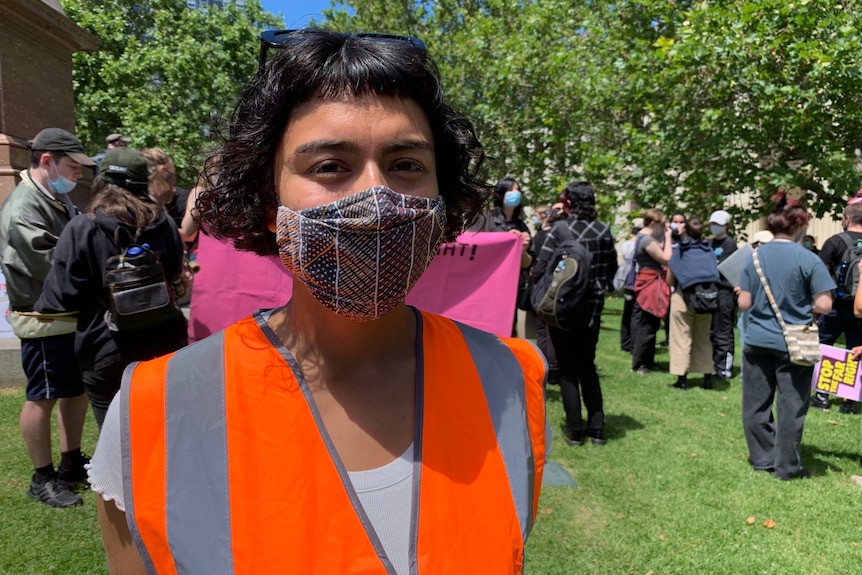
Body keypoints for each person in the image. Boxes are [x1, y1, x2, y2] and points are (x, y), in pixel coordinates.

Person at [88, 29, 547, 574]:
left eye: (406, 164)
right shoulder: (153, 414)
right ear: (267, 203)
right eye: (329, 165)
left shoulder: (513, 383)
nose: (375, 200)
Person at [35, 148, 188, 430]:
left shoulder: (82, 227)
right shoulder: (164, 223)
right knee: (163, 432)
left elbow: (61, 297)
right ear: (143, 182)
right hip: (164, 346)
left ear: (101, 181)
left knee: (117, 442)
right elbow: (175, 272)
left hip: (105, 348)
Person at [0, 128, 95, 507]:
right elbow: (54, 261)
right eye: (72, 167)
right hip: (42, 319)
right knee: (43, 396)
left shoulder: (54, 198)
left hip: (66, 316)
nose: (77, 176)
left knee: (76, 390)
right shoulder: (24, 207)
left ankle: (71, 463)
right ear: (46, 160)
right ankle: (42, 478)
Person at [737, 191, 833, 480]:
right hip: (794, 342)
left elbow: (743, 303)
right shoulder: (809, 259)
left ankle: (762, 458)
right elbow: (825, 304)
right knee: (791, 404)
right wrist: (803, 304)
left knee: (755, 403)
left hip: (756, 339)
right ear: (799, 226)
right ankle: (787, 467)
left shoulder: (753, 257)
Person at [533, 181, 616, 445]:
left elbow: (540, 266)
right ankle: (597, 428)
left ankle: (574, 430)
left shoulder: (560, 229)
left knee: (568, 369)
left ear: (568, 203)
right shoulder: (603, 230)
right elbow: (611, 271)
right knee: (587, 366)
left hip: (564, 309)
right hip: (592, 310)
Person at [811, 202, 862, 413]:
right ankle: (848, 400)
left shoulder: (834, 242)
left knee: (825, 346)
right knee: (856, 350)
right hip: (860, 307)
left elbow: (820, 277)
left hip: (837, 305)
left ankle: (822, 395)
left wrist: (817, 307)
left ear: (847, 219)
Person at [475, 177, 533, 334]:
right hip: (487, 288)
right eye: (512, 189)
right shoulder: (484, 220)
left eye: (518, 189)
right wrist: (505, 240)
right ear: (500, 195)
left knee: (507, 333)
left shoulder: (521, 226)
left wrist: (521, 248)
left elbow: (526, 264)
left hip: (511, 289)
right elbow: (474, 249)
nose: (517, 193)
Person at [666, 217, 718, 390]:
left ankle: (681, 379)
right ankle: (707, 378)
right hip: (706, 299)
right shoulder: (708, 250)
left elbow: (669, 279)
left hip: (683, 297)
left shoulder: (680, 251)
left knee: (681, 338)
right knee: (704, 338)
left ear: (685, 231)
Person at [631, 208, 673, 375]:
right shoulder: (646, 240)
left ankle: (648, 360)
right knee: (647, 324)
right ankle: (640, 363)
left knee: (652, 323)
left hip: (651, 280)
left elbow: (660, 248)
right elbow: (666, 258)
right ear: (654, 223)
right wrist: (669, 237)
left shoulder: (645, 238)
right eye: (661, 224)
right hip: (650, 282)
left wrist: (663, 236)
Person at [708, 209, 738, 381]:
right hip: (709, 292)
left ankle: (724, 367)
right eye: (713, 224)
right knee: (710, 331)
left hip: (724, 292)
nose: (715, 227)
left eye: (718, 224)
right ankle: (712, 362)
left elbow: (722, 267)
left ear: (726, 225)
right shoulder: (709, 243)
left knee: (723, 331)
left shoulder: (729, 244)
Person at [617, 217, 643, 353]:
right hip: (634, 280)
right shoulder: (633, 245)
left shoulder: (627, 244)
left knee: (628, 312)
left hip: (628, 280)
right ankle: (632, 342)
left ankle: (626, 341)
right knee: (634, 313)